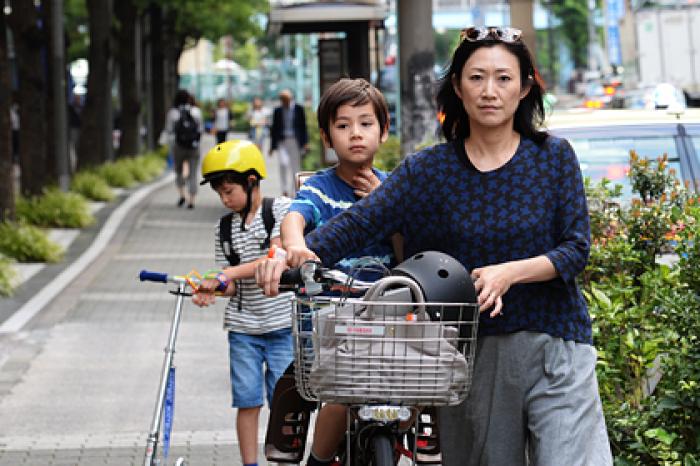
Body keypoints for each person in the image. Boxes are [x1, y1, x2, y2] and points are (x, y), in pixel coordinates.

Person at [257, 26, 613, 466]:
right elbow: (358, 223)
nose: (489, 90)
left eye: (504, 78)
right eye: (476, 77)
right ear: (458, 88)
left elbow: (575, 249)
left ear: (524, 89)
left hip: (556, 344)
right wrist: (292, 255)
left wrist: (509, 272)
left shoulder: (553, 157)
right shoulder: (428, 170)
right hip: (468, 352)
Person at [266, 78, 400, 466]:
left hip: (387, 317)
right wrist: (296, 247)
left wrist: (385, 207)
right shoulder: (320, 188)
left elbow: (410, 250)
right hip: (332, 318)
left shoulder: (394, 186)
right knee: (344, 394)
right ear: (326, 136)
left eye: (365, 123)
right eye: (343, 126)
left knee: (418, 386)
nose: (355, 134)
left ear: (384, 131)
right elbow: (295, 216)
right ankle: (319, 460)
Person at [193, 139, 294, 466]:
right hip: (243, 331)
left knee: (284, 404)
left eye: (229, 190)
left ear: (252, 181)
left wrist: (226, 273)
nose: (224, 199)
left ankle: (284, 460)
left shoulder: (278, 210)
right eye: (219, 193)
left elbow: (276, 256)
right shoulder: (223, 229)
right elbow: (231, 287)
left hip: (281, 327)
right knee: (247, 402)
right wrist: (212, 288)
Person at [165, 89, 203, 209]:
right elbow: (200, 130)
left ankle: (183, 195)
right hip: (194, 147)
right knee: (193, 173)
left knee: (178, 171)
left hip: (178, 146)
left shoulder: (172, 113)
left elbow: (169, 131)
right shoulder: (196, 112)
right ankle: (192, 200)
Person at [270, 89, 309, 196]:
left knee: (295, 167)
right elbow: (274, 129)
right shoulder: (277, 110)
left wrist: (305, 142)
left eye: (285, 99)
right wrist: (272, 146)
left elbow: (303, 126)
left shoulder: (299, 109)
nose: (284, 101)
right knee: (283, 163)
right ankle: (285, 189)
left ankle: (296, 190)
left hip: (296, 140)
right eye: (282, 99)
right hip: (282, 141)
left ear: (291, 98)